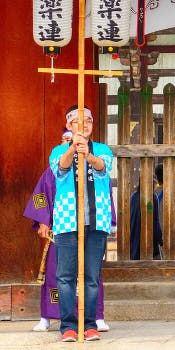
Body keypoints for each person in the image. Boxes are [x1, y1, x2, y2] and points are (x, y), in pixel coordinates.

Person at [23, 141, 111, 333]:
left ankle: (95, 317)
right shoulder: (54, 167)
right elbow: (41, 196)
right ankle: (49, 316)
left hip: (92, 225)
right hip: (63, 228)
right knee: (60, 275)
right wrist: (43, 221)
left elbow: (105, 189)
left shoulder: (97, 161)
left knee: (91, 274)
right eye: (66, 140)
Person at [49, 106, 114, 342]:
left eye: (87, 120)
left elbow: (103, 168)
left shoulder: (103, 150)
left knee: (91, 276)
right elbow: (60, 170)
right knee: (65, 276)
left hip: (96, 221)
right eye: (77, 121)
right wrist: (72, 149)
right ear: (68, 125)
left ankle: (89, 324)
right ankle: (67, 326)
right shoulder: (57, 151)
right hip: (67, 221)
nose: (83, 125)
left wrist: (87, 154)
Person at [154, 164, 175, 260]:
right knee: (173, 266)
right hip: (172, 236)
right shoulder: (174, 194)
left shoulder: (154, 193)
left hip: (158, 238)